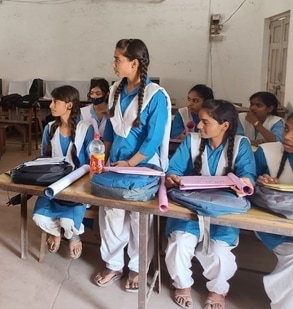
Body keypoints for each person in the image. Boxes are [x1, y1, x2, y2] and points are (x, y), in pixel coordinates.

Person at [93, 38, 172, 292]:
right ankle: (114, 264)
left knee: (139, 219)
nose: (113, 63)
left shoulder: (155, 96)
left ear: (134, 63)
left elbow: (152, 141)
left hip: (142, 167)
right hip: (116, 165)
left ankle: (138, 268)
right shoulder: (116, 89)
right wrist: (102, 159)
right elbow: (110, 132)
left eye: (118, 58)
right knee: (112, 216)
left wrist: (129, 163)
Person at [164, 100, 256, 309]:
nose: (198, 126)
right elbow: (173, 169)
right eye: (198, 121)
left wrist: (245, 184)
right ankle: (183, 284)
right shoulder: (192, 141)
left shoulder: (241, 145)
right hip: (191, 206)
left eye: (205, 122)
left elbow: (247, 175)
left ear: (225, 125)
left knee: (220, 252)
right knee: (179, 243)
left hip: (223, 209)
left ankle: (217, 289)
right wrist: (172, 178)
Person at [32, 85, 94, 259]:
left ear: (69, 105)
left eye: (55, 102)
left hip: (77, 186)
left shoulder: (85, 128)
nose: (51, 105)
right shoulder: (50, 128)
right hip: (53, 184)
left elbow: (92, 162)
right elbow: (43, 158)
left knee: (68, 221)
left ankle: (73, 235)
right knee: (38, 217)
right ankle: (57, 233)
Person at [253, 113, 293, 309]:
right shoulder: (266, 153)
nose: (288, 136)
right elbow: (247, 185)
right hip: (276, 226)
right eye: (287, 129)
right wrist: (264, 184)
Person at [80, 78, 112, 160]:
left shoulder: (113, 112)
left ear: (107, 95)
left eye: (98, 94)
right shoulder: (83, 112)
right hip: (89, 154)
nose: (94, 96)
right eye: (92, 93)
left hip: (110, 153)